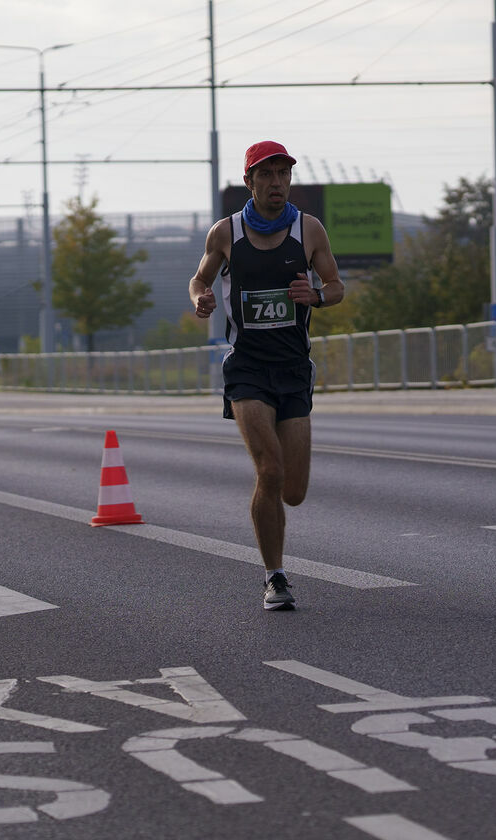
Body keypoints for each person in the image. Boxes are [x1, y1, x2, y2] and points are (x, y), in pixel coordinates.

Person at [189, 140, 345, 611]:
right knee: (269, 469)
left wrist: (316, 295)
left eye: (284, 175)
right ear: (250, 182)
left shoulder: (308, 229)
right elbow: (200, 279)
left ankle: (274, 543)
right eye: (268, 175)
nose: (277, 184)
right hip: (248, 367)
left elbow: (336, 286)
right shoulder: (226, 233)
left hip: (294, 368)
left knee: (293, 491)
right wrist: (200, 298)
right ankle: (274, 576)